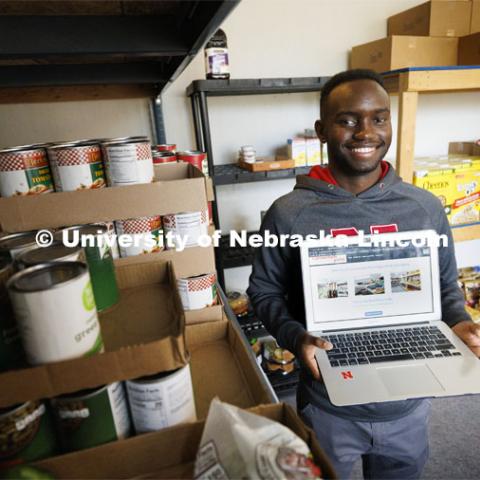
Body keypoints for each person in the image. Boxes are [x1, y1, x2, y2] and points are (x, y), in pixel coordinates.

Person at [247, 69, 480, 479]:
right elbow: (264, 291)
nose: (365, 132)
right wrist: (294, 336)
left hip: (410, 402)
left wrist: (459, 322)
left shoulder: (423, 208)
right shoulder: (289, 213)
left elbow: (446, 287)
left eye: (378, 118)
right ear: (322, 130)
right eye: (348, 120)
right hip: (327, 402)